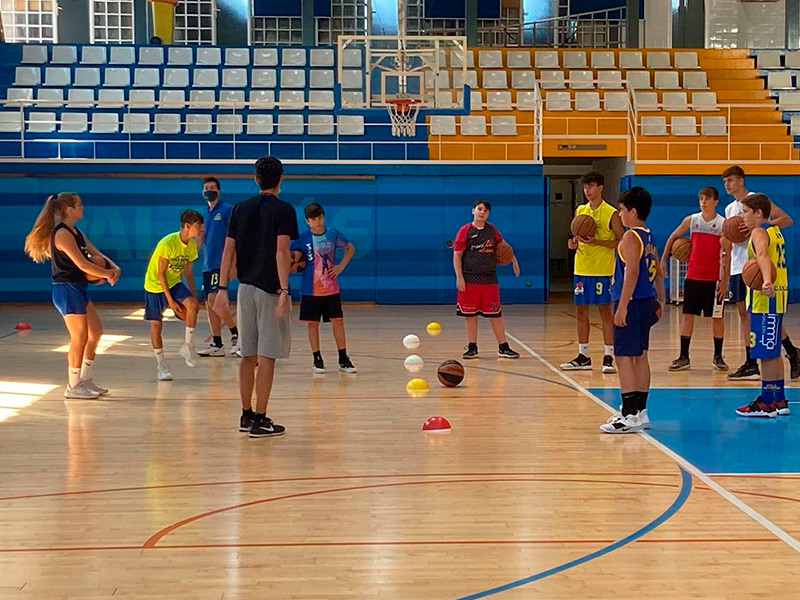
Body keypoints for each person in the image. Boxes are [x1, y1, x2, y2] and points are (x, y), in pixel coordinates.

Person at [214, 156, 299, 439]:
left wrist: (222, 289)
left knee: (247, 355)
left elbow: (228, 252)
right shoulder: (284, 210)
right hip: (269, 290)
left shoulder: (240, 208)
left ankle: (246, 413)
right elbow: (280, 252)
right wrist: (285, 289)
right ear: (281, 179)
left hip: (245, 289)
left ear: (255, 178)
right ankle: (260, 419)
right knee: (267, 356)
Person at [24, 192, 120, 399]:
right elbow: (82, 264)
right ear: (69, 209)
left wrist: (114, 267)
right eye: (79, 205)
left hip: (77, 287)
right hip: (65, 288)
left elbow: (97, 253)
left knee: (96, 333)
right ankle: (72, 385)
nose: (82, 208)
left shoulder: (75, 231)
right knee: (79, 337)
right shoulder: (61, 234)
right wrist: (106, 274)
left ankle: (84, 379)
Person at [722, 165, 799, 380]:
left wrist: (762, 226)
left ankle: (780, 354)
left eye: (730, 180)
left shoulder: (756, 200)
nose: (727, 184)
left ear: (741, 181)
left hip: (757, 266)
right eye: (724, 181)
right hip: (741, 266)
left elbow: (786, 219)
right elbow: (728, 239)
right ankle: (753, 361)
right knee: (745, 315)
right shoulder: (730, 209)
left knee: (761, 317)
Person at [600, 187, 665, 434]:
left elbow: (633, 271)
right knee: (641, 357)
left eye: (622, 210)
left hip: (634, 301)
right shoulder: (648, 236)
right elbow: (658, 269)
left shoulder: (629, 237)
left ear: (633, 211)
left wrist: (623, 305)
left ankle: (629, 414)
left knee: (624, 357)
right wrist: (661, 298)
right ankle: (640, 411)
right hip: (647, 300)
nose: (619, 214)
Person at [660, 186, 730, 371]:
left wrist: (724, 281)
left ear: (715, 201)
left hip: (714, 278)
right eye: (701, 199)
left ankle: (717, 357)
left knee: (717, 317)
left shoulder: (723, 224)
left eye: (707, 198)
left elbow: (728, 254)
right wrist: (663, 259)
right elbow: (673, 237)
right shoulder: (692, 220)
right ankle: (684, 356)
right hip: (693, 276)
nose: (703, 202)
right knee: (687, 316)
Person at [561, 171, 623, 374]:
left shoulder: (611, 213)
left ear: (601, 187)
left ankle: (608, 356)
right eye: (585, 187)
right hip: (582, 268)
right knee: (580, 311)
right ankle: (583, 355)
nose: (587, 190)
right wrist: (572, 243)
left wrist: (596, 241)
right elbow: (575, 238)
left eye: (591, 186)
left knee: (605, 311)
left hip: (603, 270)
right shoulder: (581, 210)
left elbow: (621, 242)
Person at [735, 193, 789, 418]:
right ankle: (779, 399)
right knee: (774, 351)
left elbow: (763, 256)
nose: (742, 217)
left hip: (764, 298)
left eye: (746, 212)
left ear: (758, 213)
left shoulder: (759, 232)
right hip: (779, 297)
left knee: (766, 353)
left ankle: (766, 402)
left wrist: (765, 279)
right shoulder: (775, 230)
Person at [291, 203, 357, 374]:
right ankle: (317, 358)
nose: (317, 221)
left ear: (323, 217)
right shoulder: (302, 238)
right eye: (313, 219)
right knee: (312, 324)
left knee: (338, 322)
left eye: (319, 217)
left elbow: (350, 248)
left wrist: (340, 267)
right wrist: (292, 264)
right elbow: (292, 258)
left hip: (331, 288)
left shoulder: (333, 234)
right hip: (310, 289)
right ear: (307, 221)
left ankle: (343, 358)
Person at [453, 199, 520, 360]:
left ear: (488, 214)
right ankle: (472, 347)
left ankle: (503, 347)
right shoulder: (465, 230)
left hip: (489, 279)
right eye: (480, 209)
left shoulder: (492, 230)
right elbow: (457, 254)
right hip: (470, 279)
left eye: (485, 210)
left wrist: (514, 260)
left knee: (495, 314)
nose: (482, 212)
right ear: (473, 211)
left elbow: (504, 246)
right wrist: (459, 277)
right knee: (470, 315)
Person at [143, 210, 203, 381]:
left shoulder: (191, 246)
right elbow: (161, 274)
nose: (200, 229)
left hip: (174, 282)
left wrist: (194, 295)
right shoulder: (168, 242)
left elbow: (189, 273)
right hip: (155, 285)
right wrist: (170, 302)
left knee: (191, 306)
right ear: (187, 226)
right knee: (156, 326)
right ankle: (161, 365)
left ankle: (188, 346)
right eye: (198, 226)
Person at [196, 176, 240, 357]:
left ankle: (236, 334)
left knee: (216, 300)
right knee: (209, 303)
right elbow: (202, 241)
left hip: (220, 263)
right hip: (208, 264)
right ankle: (217, 343)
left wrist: (233, 264)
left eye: (212, 187)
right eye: (206, 188)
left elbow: (235, 237)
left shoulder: (228, 210)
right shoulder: (205, 214)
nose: (208, 190)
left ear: (219, 191)